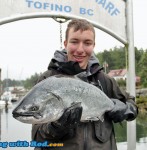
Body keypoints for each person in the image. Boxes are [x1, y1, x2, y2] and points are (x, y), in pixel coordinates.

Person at [32, 19, 138, 150]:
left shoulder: (104, 80)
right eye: (74, 42)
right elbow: (36, 137)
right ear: (65, 44)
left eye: (87, 43)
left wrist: (124, 109)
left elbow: (132, 105)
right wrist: (56, 126)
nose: (80, 49)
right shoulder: (48, 80)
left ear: (93, 45)